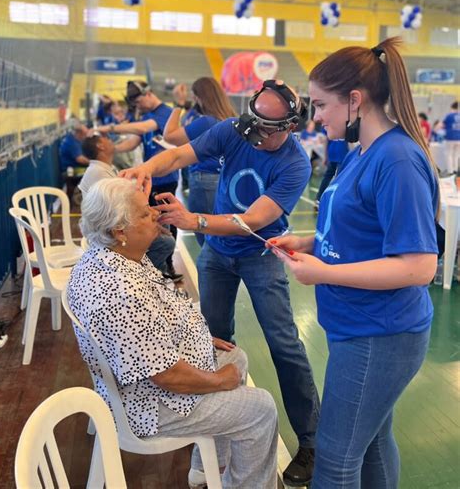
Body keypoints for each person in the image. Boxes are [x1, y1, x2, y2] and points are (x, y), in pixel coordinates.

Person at [121, 79, 321, 487]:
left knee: (284, 344)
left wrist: (192, 221)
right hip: (216, 255)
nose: (257, 138)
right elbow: (178, 153)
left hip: (260, 255)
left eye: (267, 132)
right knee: (209, 338)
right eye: (253, 128)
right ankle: (210, 445)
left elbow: (253, 221)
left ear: (290, 126)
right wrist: (145, 168)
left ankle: (313, 441)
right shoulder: (233, 130)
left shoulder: (295, 164)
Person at [268, 38, 439, 489]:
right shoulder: (361, 153)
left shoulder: (397, 160)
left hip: (379, 333)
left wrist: (322, 273)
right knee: (372, 443)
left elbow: (419, 266)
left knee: (336, 461)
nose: (315, 115)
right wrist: (308, 242)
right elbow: (359, 230)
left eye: (321, 104)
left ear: (355, 101)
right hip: (357, 327)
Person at [68, 177, 278, 489]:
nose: (154, 213)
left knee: (235, 356)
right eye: (143, 213)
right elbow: (165, 376)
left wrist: (199, 338)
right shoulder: (121, 291)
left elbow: (151, 327)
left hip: (146, 379)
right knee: (261, 408)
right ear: (119, 231)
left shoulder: (112, 256)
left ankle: (208, 469)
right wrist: (220, 380)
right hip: (149, 404)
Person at [98, 81, 180, 278]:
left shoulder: (164, 114)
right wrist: (111, 149)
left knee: (166, 221)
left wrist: (110, 127)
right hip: (150, 178)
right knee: (149, 222)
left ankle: (166, 266)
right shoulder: (148, 115)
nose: (139, 107)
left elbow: (143, 128)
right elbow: (133, 142)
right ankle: (150, 267)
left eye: (139, 102)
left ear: (149, 94)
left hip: (165, 177)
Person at [78, 134, 176, 277]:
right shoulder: (98, 172)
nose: (112, 140)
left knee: (163, 223)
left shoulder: (104, 168)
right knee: (166, 242)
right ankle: (147, 277)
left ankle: (157, 275)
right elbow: (116, 211)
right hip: (110, 229)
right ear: (100, 146)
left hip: (115, 223)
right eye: (107, 139)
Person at [163, 77, 236, 246]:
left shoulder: (206, 121)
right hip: (222, 179)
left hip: (205, 180)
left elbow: (170, 135)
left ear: (199, 97)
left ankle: (210, 270)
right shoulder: (227, 118)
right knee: (220, 231)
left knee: (205, 235)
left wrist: (178, 104)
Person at [58, 121, 90, 202]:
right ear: (79, 133)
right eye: (85, 134)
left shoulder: (73, 139)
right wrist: (94, 162)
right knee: (94, 172)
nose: (86, 136)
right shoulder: (71, 143)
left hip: (75, 167)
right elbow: (80, 159)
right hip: (71, 170)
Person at [315, 138, 349, 209]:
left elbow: (326, 141)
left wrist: (325, 156)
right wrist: (325, 156)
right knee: (339, 179)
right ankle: (334, 200)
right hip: (341, 155)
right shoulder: (346, 127)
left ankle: (319, 199)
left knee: (329, 177)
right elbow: (326, 140)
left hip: (335, 155)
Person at [442, 101, 460, 173]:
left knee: (449, 154)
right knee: (456, 155)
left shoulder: (449, 115)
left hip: (450, 138)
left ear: (452, 107)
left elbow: (442, 125)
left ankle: (450, 171)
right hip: (459, 138)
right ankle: (455, 170)